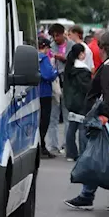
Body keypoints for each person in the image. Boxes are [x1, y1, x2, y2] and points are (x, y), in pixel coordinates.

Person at [64, 30, 109, 212]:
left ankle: (88, 196)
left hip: (105, 119)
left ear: (103, 48)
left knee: (93, 156)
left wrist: (104, 115)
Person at [61, 43, 94, 162]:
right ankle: (82, 153)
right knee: (82, 128)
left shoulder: (69, 68)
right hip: (81, 100)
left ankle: (70, 153)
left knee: (72, 127)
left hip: (70, 101)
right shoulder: (83, 70)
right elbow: (87, 87)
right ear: (80, 54)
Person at [46, 24, 69, 155]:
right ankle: (53, 145)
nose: (55, 38)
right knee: (53, 116)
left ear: (63, 34)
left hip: (67, 84)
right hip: (54, 84)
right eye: (53, 36)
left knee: (67, 116)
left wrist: (62, 58)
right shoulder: (50, 46)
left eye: (57, 35)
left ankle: (66, 144)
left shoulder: (70, 45)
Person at [36, 38, 58, 158]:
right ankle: (42, 146)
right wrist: (55, 71)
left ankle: (40, 145)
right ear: (45, 47)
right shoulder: (44, 58)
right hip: (45, 92)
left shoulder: (32, 57)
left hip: (35, 92)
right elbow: (48, 75)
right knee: (44, 121)